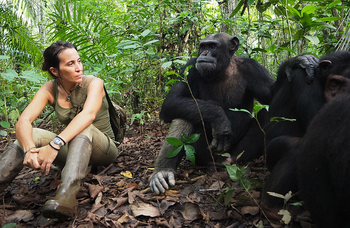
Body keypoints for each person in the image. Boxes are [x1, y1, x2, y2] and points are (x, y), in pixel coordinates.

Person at [0, 41, 122, 219]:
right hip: (74, 152)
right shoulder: (50, 89)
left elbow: (88, 115)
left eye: (79, 61)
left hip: (104, 149)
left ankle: (66, 196)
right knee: (30, 134)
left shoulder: (94, 83)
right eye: (70, 64)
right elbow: (24, 121)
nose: (79, 68)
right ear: (55, 71)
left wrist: (55, 144)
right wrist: (28, 150)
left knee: (83, 126)